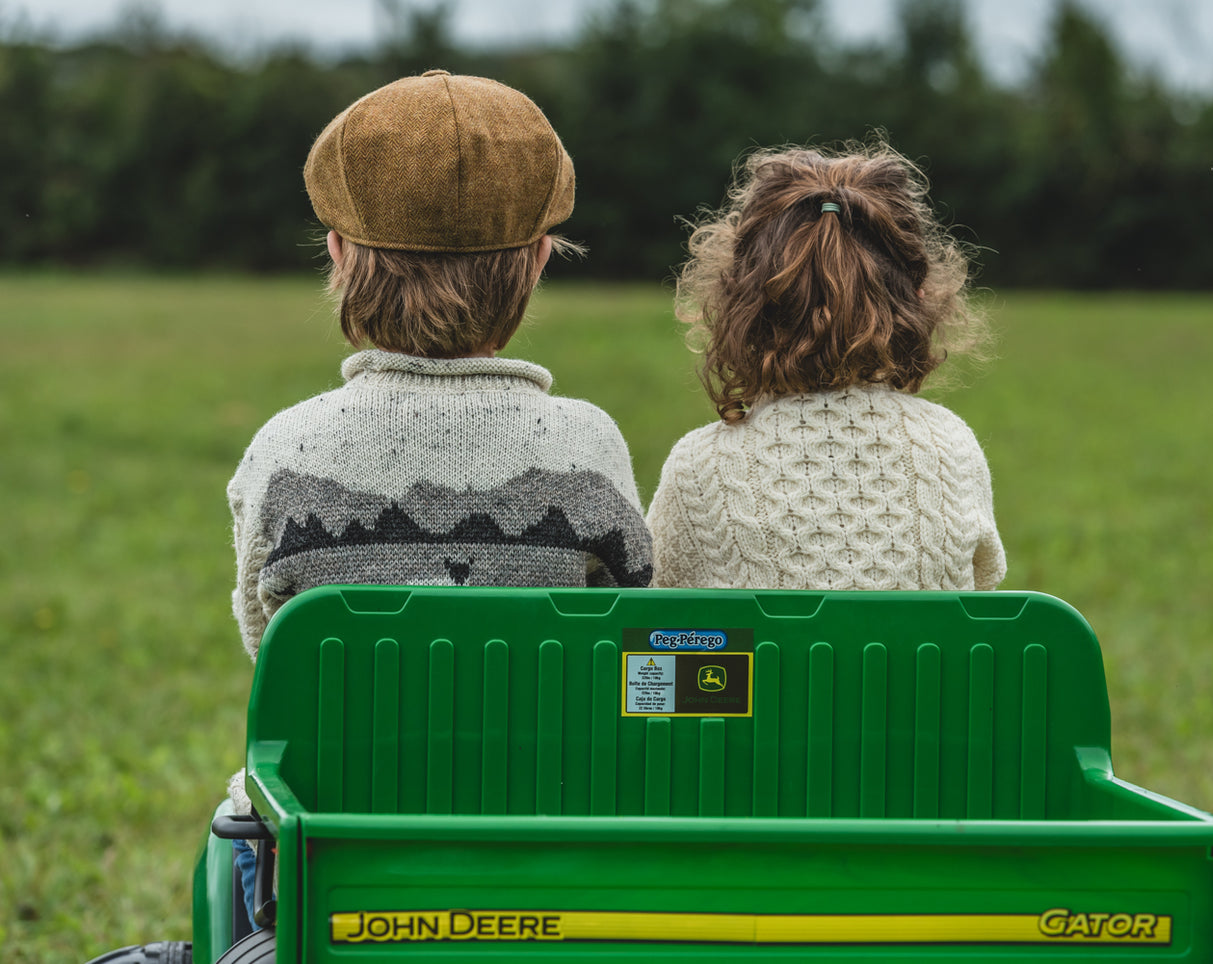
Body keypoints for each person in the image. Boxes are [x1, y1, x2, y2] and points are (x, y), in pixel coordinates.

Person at [225, 70, 653, 932]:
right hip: (547, 833)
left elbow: (268, 642)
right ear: (537, 259)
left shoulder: (287, 449)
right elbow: (631, 624)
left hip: (336, 846)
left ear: (340, 254)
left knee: (241, 816)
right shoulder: (588, 448)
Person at [647, 141, 1004, 591]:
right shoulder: (951, 448)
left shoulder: (698, 468)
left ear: (742, 304)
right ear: (916, 299)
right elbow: (981, 594)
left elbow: (659, 628)